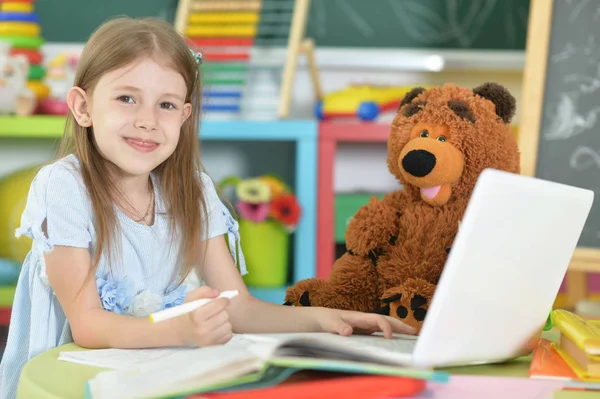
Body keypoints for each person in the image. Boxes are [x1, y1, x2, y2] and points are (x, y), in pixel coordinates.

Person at [0, 17, 415, 399]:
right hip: (70, 381)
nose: (148, 120)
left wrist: (326, 319)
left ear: (184, 116)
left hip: (150, 373)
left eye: (165, 105)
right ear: (83, 107)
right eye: (127, 98)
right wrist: (179, 327)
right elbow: (87, 325)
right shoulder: (63, 186)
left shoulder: (193, 190)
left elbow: (239, 307)